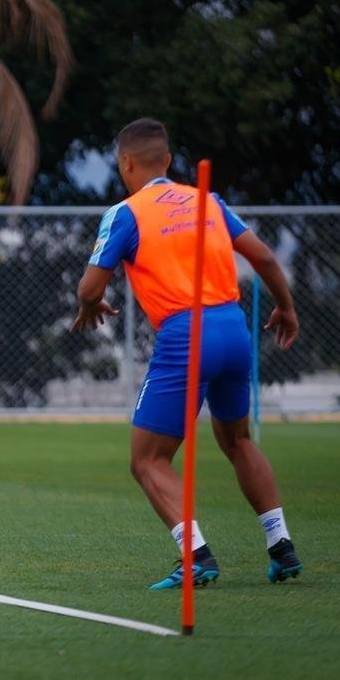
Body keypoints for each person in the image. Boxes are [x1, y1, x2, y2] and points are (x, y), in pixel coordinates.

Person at [71, 118, 303, 588]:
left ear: (125, 163)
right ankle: (281, 546)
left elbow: (90, 287)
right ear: (169, 160)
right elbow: (263, 257)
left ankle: (196, 556)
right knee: (238, 441)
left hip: (186, 333)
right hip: (233, 327)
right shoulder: (208, 201)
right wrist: (286, 306)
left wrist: (89, 305)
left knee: (147, 460)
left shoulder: (125, 213)